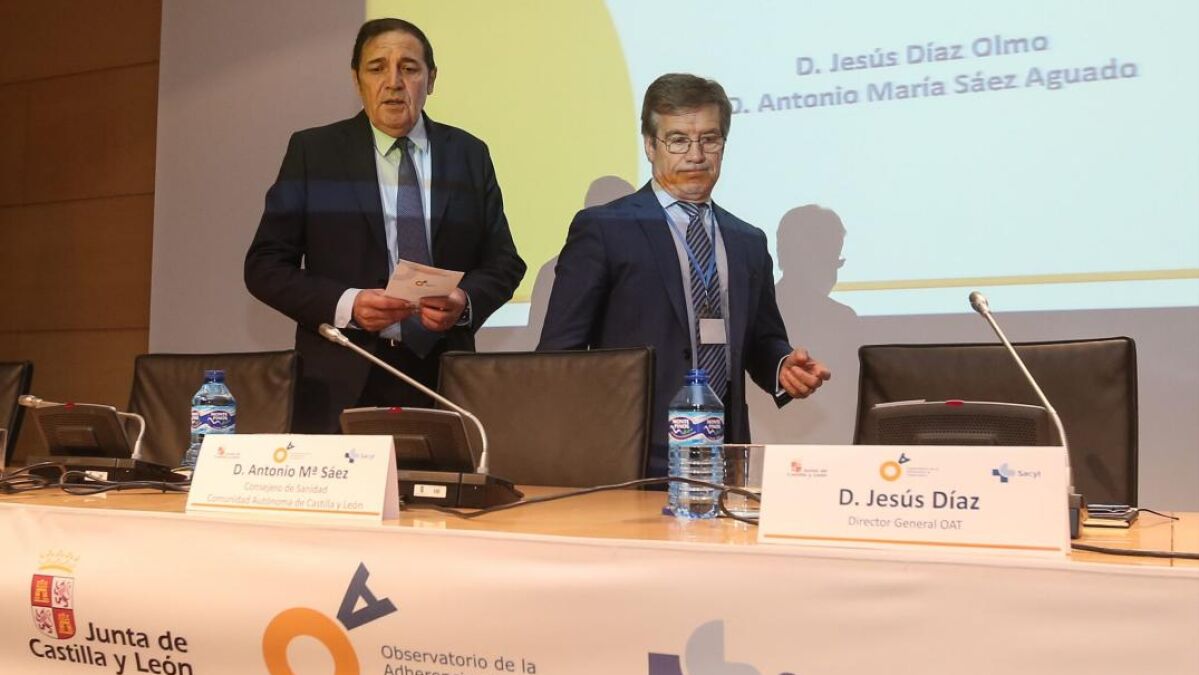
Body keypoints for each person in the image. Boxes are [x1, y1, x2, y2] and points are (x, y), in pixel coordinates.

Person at [537, 73, 830, 476]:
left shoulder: (747, 240)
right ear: (650, 145)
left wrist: (782, 366)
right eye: (678, 140)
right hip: (631, 453)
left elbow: (761, 338)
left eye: (709, 139)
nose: (696, 155)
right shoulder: (604, 229)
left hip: (724, 451)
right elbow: (558, 356)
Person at [245, 18, 525, 433]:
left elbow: (504, 263)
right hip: (341, 377)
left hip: (444, 379)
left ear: (431, 79)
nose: (393, 82)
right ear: (356, 80)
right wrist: (349, 304)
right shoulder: (315, 153)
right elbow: (264, 266)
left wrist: (463, 302)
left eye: (409, 68)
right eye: (377, 68)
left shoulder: (468, 154)